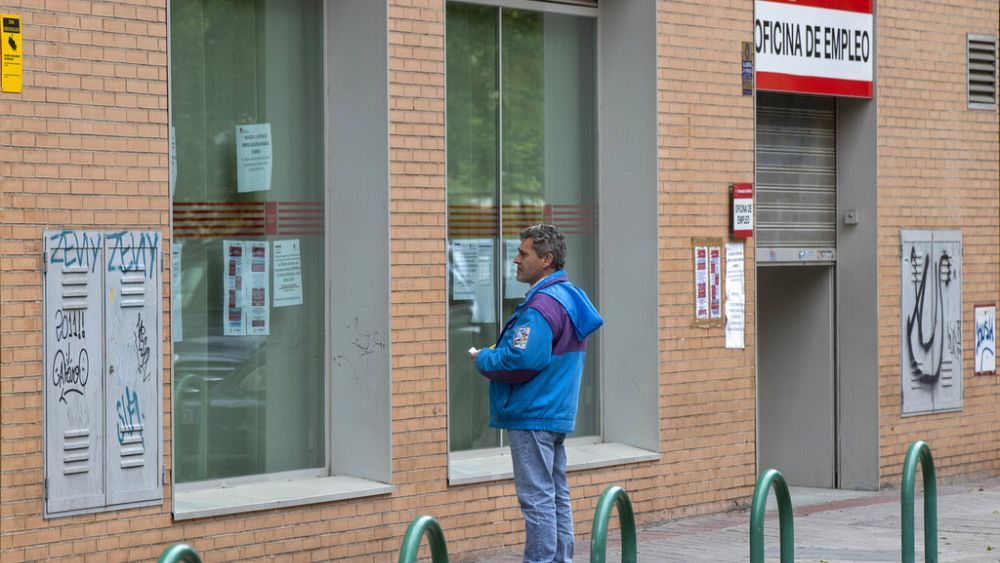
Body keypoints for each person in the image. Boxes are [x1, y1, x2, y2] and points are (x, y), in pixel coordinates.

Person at [471, 224, 603, 563]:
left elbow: (523, 359)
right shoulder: (568, 296)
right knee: (556, 495)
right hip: (555, 411)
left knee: (537, 498)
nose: (515, 260)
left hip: (533, 412)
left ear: (546, 260)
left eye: (524, 254)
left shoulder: (541, 305)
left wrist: (485, 358)